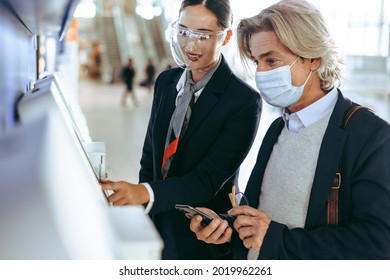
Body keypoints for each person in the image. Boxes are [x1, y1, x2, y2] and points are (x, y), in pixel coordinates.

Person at [189, 0, 390, 259]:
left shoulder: (370, 137)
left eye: (271, 61)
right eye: (256, 61)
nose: (261, 73)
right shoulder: (278, 128)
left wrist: (271, 237)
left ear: (314, 58)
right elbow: (266, 221)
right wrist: (227, 231)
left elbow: (378, 244)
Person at [100, 0, 262, 260]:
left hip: (201, 235)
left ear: (226, 36)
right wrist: (145, 205)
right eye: (184, 31)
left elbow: (207, 179)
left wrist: (146, 193)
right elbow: (151, 153)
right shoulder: (166, 82)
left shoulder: (242, 101)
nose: (190, 45)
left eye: (202, 35)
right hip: (156, 221)